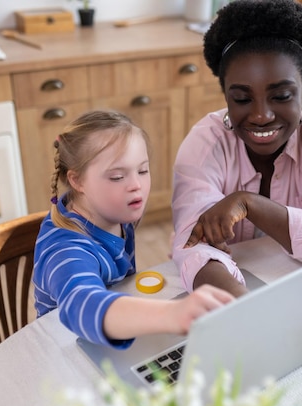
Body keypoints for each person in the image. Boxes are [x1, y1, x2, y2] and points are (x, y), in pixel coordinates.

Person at [172, 0, 302, 297]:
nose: (262, 115)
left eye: (282, 95)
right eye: (242, 98)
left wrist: (251, 203)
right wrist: (248, 310)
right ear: (226, 96)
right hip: (233, 290)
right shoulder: (204, 144)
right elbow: (192, 248)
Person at [33, 110, 233, 347]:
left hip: (109, 339)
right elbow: (82, 304)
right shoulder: (65, 249)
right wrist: (170, 314)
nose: (136, 185)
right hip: (67, 351)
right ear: (77, 181)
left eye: (143, 170)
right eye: (117, 177)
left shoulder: (113, 211)